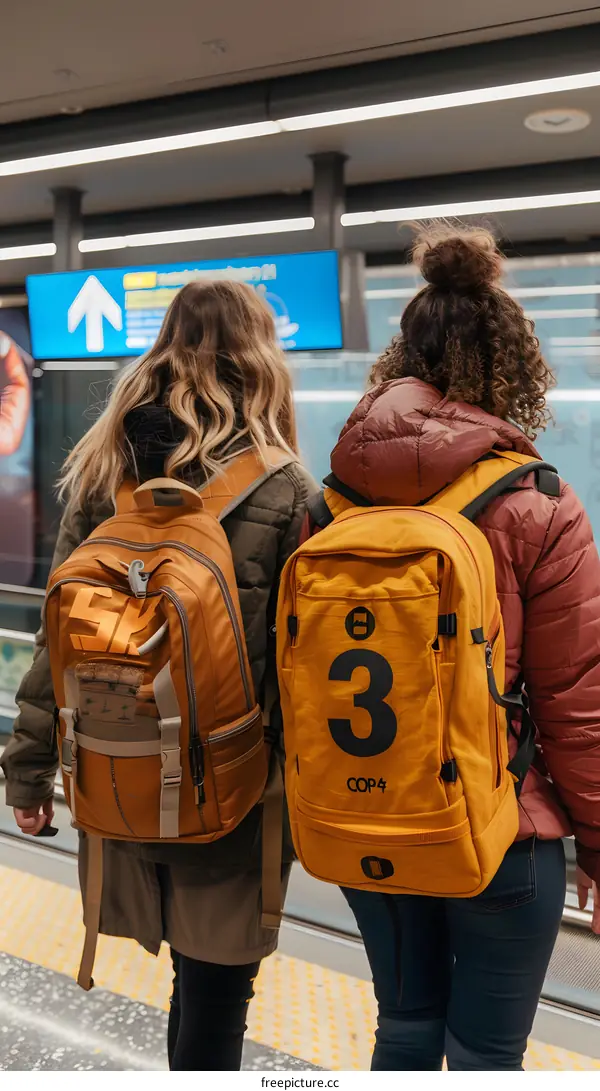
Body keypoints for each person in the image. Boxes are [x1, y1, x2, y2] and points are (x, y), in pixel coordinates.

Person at [1, 280, 315, 1071]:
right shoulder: (287, 490)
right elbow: (298, 671)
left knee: (186, 975)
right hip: (235, 790)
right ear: (261, 357)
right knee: (217, 989)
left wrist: (28, 774)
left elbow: (53, 641)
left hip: (117, 769)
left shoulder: (108, 471)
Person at [321, 224, 600, 1071]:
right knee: (485, 1055)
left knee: (402, 1029)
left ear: (400, 361)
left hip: (366, 816)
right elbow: (576, 700)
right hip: (498, 825)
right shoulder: (541, 503)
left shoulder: (333, 502)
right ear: (509, 369)